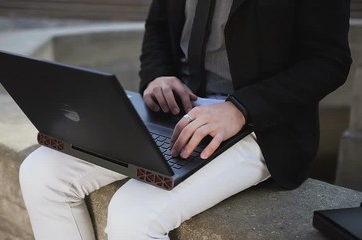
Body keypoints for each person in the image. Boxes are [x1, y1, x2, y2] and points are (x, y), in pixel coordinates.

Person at [19, 0, 352, 239]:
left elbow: (329, 61)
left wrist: (241, 108)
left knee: (133, 216)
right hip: (175, 109)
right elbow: (159, 27)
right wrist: (157, 76)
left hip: (259, 124)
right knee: (40, 174)